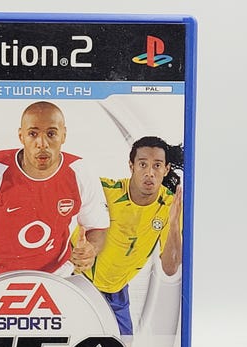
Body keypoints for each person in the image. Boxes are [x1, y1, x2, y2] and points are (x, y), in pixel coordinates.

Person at [0, 101, 110, 318]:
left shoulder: (80, 171)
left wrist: (91, 249)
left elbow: (97, 226)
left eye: (51, 134)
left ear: (64, 135)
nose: (42, 144)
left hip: (57, 273)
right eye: (33, 134)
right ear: (21, 136)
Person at [72, 136, 183, 336]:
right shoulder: (105, 191)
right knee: (73, 343)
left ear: (166, 169)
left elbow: (170, 267)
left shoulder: (170, 206)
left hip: (117, 291)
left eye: (157, 165)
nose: (149, 173)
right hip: (81, 282)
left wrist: (174, 224)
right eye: (143, 164)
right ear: (131, 166)